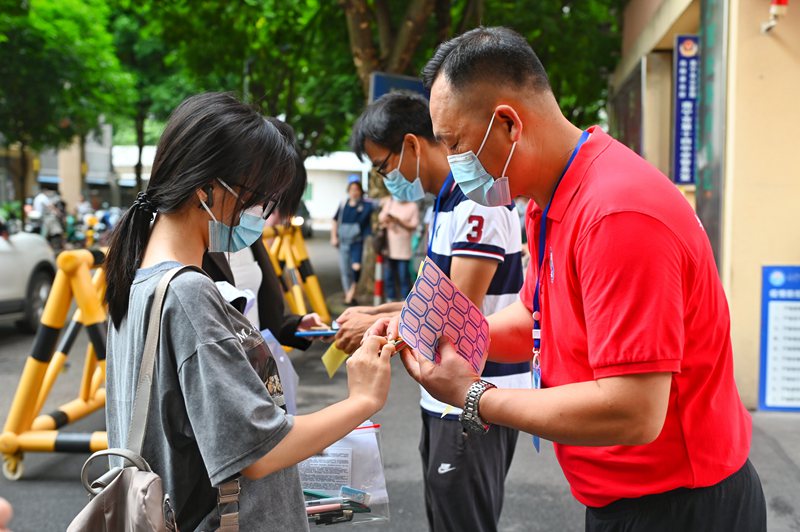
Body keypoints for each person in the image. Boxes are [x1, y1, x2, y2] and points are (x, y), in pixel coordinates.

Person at [396, 26, 766, 532]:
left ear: (508, 123)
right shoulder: (548, 198)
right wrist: (430, 332)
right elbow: (535, 319)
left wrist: (475, 396)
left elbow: (633, 411)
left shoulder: (617, 214)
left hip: (680, 504)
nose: (455, 165)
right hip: (626, 497)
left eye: (455, 144)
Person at [103, 92, 392, 531]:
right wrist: (363, 400)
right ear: (206, 189)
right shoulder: (188, 294)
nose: (262, 215)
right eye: (259, 200)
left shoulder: (136, 277)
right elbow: (260, 453)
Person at [346, 91, 529, 532]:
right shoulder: (446, 203)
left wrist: (375, 323)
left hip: (474, 396)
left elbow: (455, 313)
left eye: (384, 166)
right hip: (448, 395)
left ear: (411, 144)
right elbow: (433, 296)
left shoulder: (475, 203)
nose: (386, 178)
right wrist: (378, 310)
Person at [203, 117, 327, 350]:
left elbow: (260, 313)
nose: (265, 213)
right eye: (268, 200)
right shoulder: (194, 243)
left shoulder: (245, 229)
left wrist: (294, 326)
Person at [331, 175, 373, 305]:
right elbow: (334, 220)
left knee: (356, 266)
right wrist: (334, 236)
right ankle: (349, 294)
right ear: (348, 190)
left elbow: (381, 202)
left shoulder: (366, 205)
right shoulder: (343, 204)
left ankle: (352, 291)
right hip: (343, 241)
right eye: (352, 189)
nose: (354, 192)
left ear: (360, 191)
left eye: (357, 189)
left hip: (357, 241)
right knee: (345, 270)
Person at [378, 195, 419, 301]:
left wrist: (398, 221)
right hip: (389, 248)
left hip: (404, 250)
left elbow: (414, 225)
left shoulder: (412, 206)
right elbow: (381, 218)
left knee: (404, 277)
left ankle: (404, 302)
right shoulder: (390, 202)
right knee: (388, 276)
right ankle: (390, 300)